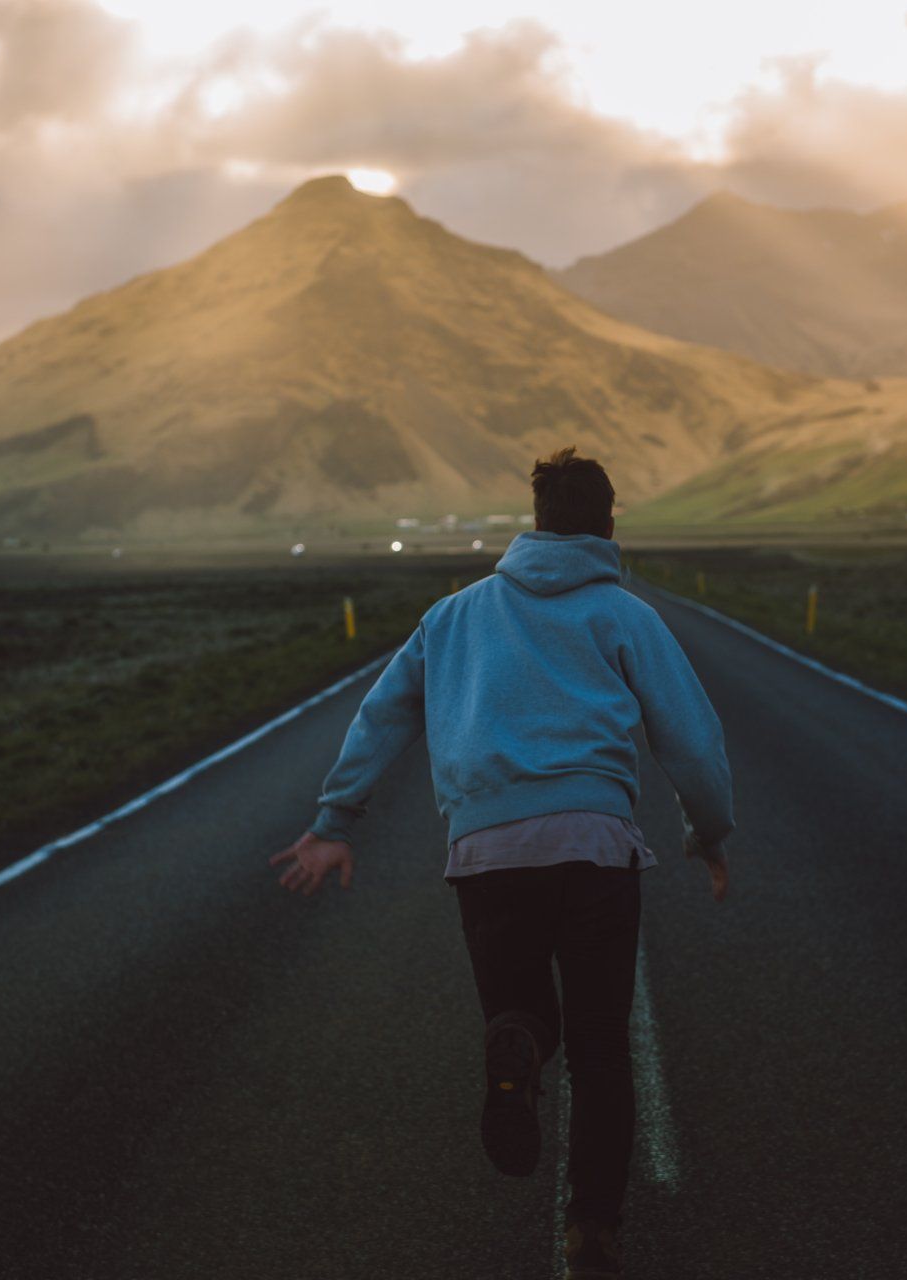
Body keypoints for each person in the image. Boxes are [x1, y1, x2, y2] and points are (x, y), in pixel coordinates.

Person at [269, 446, 734, 1279]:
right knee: (601, 1052)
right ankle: (593, 1229)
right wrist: (711, 830)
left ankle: (517, 1039)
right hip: (595, 848)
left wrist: (335, 820)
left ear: (536, 520)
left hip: (486, 853)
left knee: (523, 1013)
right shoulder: (624, 614)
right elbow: (691, 739)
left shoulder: (452, 616)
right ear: (608, 525)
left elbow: (382, 717)